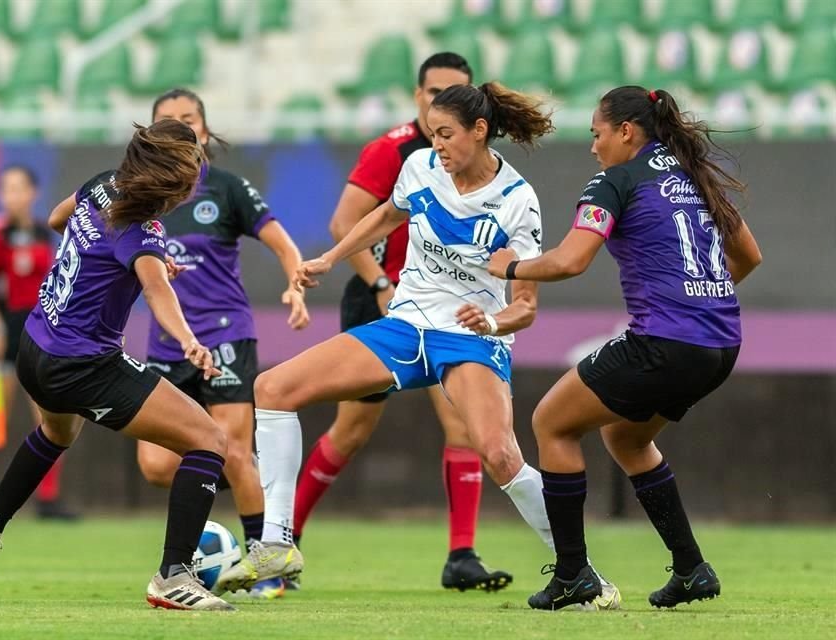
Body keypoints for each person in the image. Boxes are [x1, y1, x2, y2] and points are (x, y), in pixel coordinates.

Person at [215, 82, 619, 607]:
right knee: (271, 387)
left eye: (447, 134)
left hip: (469, 339)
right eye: (432, 134)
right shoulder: (421, 167)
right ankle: (275, 544)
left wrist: (492, 324)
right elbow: (387, 215)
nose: (438, 146)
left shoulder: (518, 200)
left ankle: (580, 572)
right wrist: (330, 259)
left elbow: (526, 306)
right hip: (407, 325)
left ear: (480, 131)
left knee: (499, 454)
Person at [484, 86, 762, 610]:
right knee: (626, 440)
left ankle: (571, 576)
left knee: (551, 422)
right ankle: (692, 570)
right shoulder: (693, 176)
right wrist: (702, 297)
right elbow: (748, 255)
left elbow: (570, 261)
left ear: (626, 132)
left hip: (666, 341)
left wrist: (511, 266)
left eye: (597, 133)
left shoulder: (616, 180)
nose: (594, 146)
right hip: (722, 343)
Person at [0, 120, 235, 612]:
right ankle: (173, 576)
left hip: (35, 347)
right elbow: (157, 292)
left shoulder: (103, 184)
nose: (200, 174)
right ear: (175, 176)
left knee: (56, 435)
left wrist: (117, 261)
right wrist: (190, 339)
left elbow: (58, 219)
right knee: (209, 440)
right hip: (82, 364)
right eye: (195, 165)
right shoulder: (143, 229)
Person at [293, 52, 513, 593]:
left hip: (446, 308)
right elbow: (347, 222)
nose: (444, 100)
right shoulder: (393, 150)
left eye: (456, 91)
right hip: (383, 300)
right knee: (351, 430)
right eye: (436, 91)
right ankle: (283, 539)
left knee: (461, 424)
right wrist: (380, 287)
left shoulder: (476, 156)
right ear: (418, 96)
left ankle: (461, 554)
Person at [136, 88, 310, 599]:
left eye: (189, 121)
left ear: (205, 132)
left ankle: (266, 562)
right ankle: (238, 526)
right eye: (168, 123)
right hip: (167, 343)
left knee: (233, 448)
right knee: (156, 465)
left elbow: (281, 242)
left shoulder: (227, 188)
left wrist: (295, 285)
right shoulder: (142, 200)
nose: (181, 130)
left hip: (225, 334)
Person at [0, 165, 78, 522]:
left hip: (41, 329)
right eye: (6, 189)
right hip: (6, 331)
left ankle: (48, 499)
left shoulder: (46, 235)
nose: (12, 195)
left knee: (52, 418)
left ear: (33, 193)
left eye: (19, 188)